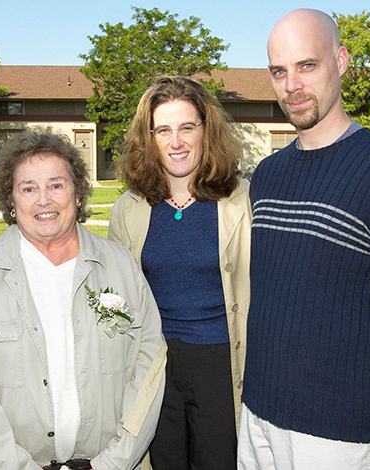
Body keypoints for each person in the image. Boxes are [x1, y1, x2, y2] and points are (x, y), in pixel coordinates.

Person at [238, 9, 370, 470]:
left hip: (340, 434)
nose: (292, 85)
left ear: (342, 61)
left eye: (307, 65)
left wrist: (362, 393)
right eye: (279, 71)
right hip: (257, 417)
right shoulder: (268, 175)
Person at [0, 130, 166, 470]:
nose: (44, 200)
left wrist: (112, 463)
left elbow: (150, 367)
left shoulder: (121, 268)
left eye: (56, 185)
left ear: (77, 194)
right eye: (28, 189)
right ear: (11, 203)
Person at [109, 75, 251, 469]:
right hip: (156, 366)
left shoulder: (242, 200)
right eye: (163, 130)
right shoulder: (129, 208)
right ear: (148, 138)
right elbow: (119, 299)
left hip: (221, 363)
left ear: (207, 130)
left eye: (187, 127)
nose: (176, 142)